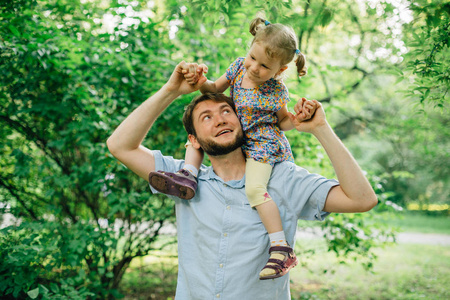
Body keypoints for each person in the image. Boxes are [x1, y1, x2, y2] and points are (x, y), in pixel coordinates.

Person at [106, 60, 378, 299]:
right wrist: (171, 91)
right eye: (207, 117)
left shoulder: (282, 177)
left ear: (243, 121)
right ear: (194, 140)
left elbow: (362, 199)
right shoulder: (182, 181)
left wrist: (321, 129)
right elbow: (120, 146)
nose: (220, 120)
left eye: (227, 111)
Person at [147, 17, 316, 280]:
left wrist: (296, 120)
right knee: (198, 139)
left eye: (264, 66)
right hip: (237, 136)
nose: (254, 67)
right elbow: (213, 88)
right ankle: (188, 175)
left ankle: (281, 247)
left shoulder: (276, 90)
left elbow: (281, 122)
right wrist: (200, 80)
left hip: (261, 144)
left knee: (254, 190)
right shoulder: (239, 67)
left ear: (280, 70)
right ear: (249, 49)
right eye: (252, 57)